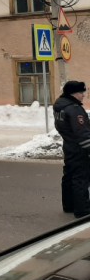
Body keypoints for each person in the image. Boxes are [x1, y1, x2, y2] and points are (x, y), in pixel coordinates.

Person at [53, 80, 90, 218]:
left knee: (69, 175)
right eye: (81, 92)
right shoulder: (74, 109)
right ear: (73, 93)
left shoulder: (60, 105)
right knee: (81, 178)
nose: (83, 95)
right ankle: (82, 209)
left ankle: (69, 205)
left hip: (69, 145)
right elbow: (82, 133)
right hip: (79, 148)